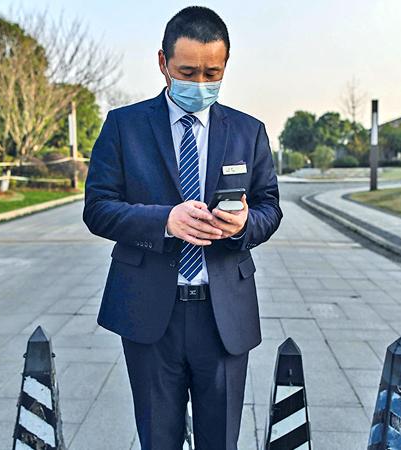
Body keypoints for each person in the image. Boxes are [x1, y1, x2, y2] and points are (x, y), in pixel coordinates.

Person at [82, 6, 282, 449]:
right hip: (151, 311)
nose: (201, 84)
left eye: (213, 73)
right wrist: (164, 221)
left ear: (226, 64)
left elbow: (270, 207)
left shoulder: (248, 131)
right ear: (163, 64)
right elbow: (97, 208)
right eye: (188, 71)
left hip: (223, 313)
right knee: (159, 439)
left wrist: (245, 224)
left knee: (221, 441)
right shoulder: (124, 126)